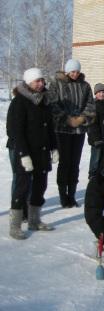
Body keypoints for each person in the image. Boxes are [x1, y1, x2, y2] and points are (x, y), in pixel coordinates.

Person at [7, 68, 58, 239]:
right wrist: (23, 154)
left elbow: (50, 127)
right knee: (22, 185)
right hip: (24, 150)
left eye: (42, 80)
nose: (41, 83)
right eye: (37, 81)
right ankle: (15, 225)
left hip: (42, 150)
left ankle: (34, 220)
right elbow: (14, 131)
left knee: (40, 184)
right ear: (29, 82)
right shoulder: (19, 102)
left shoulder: (44, 101)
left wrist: (55, 147)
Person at [48, 59, 95, 208]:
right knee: (64, 162)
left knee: (75, 162)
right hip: (62, 129)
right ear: (67, 71)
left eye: (77, 71)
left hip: (79, 129)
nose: (75, 74)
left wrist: (81, 118)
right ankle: (63, 195)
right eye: (72, 71)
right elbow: (52, 104)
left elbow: (90, 104)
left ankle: (72, 195)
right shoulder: (57, 84)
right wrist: (67, 119)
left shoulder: (85, 86)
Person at [87, 83, 104, 179]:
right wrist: (96, 138)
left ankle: (102, 172)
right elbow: (92, 125)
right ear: (95, 94)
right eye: (99, 92)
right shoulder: (93, 106)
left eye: (103, 92)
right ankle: (92, 173)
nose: (101, 94)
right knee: (95, 158)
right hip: (96, 138)